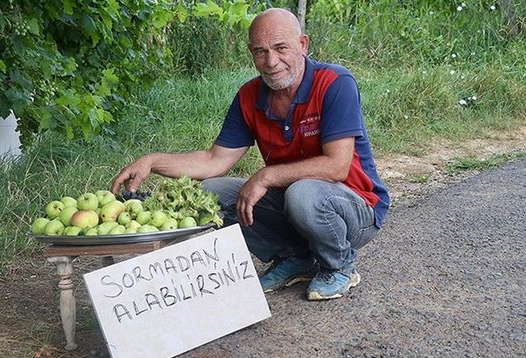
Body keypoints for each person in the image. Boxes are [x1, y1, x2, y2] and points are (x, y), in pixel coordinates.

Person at [111, 8, 390, 301]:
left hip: (356, 210)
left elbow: (336, 167)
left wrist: (266, 176)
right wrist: (153, 162)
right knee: (210, 192)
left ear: (303, 45)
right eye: (261, 51)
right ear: (251, 52)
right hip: (295, 203)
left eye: (281, 48)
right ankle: (294, 256)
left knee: (302, 194)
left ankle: (340, 265)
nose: (271, 62)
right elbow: (214, 160)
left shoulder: (334, 83)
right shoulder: (249, 96)